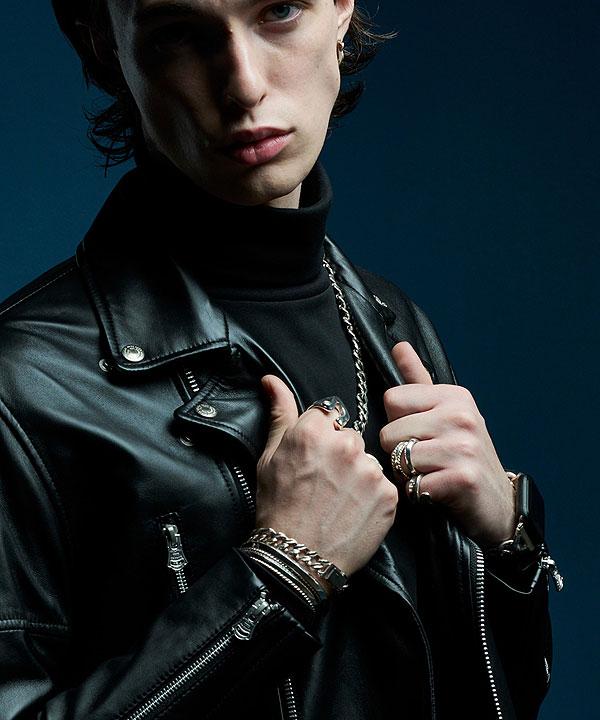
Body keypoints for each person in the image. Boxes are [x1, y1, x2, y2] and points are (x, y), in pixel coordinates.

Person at [0, 1, 560, 718]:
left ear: (341, 10)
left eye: (279, 11)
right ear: (107, 45)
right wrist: (280, 574)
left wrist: (509, 538)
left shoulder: (392, 322)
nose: (243, 84)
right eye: (179, 34)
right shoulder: (24, 385)